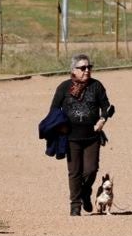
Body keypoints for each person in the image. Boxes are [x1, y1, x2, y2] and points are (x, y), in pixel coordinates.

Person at [49, 53, 114, 216]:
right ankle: (75, 204)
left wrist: (102, 119)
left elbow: (108, 106)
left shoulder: (97, 86)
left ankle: (85, 191)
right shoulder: (64, 87)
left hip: (92, 136)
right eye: (82, 68)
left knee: (91, 169)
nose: (87, 70)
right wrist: (59, 126)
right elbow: (54, 110)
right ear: (73, 70)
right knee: (74, 171)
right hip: (70, 137)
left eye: (89, 67)